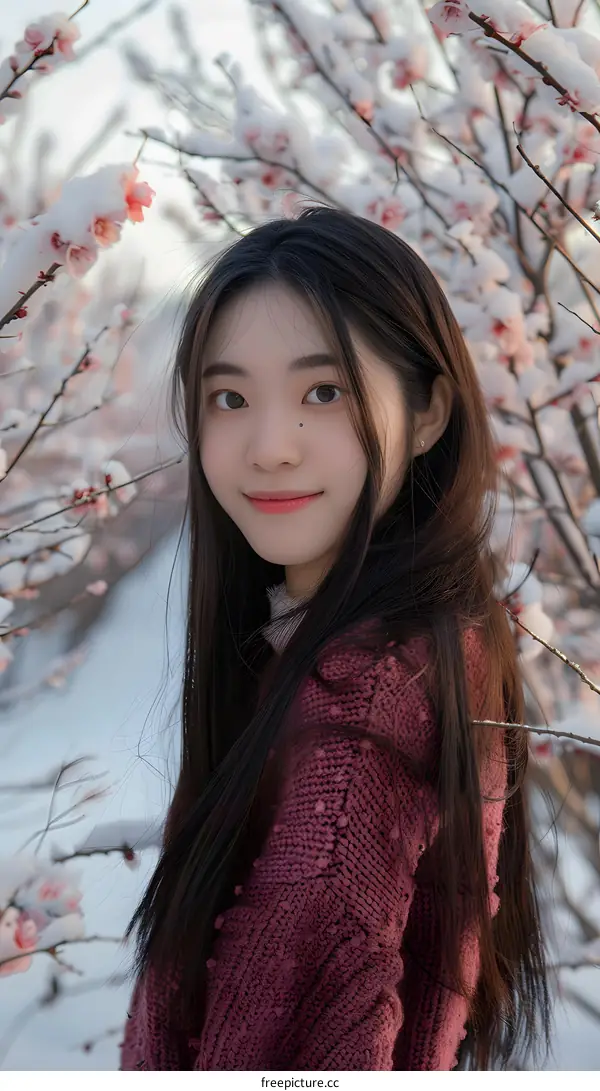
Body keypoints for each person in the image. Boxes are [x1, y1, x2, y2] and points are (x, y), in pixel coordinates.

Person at [119, 206, 552, 1071]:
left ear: (427, 413)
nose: (271, 446)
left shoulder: (372, 691)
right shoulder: (355, 644)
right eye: (230, 397)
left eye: (325, 391)